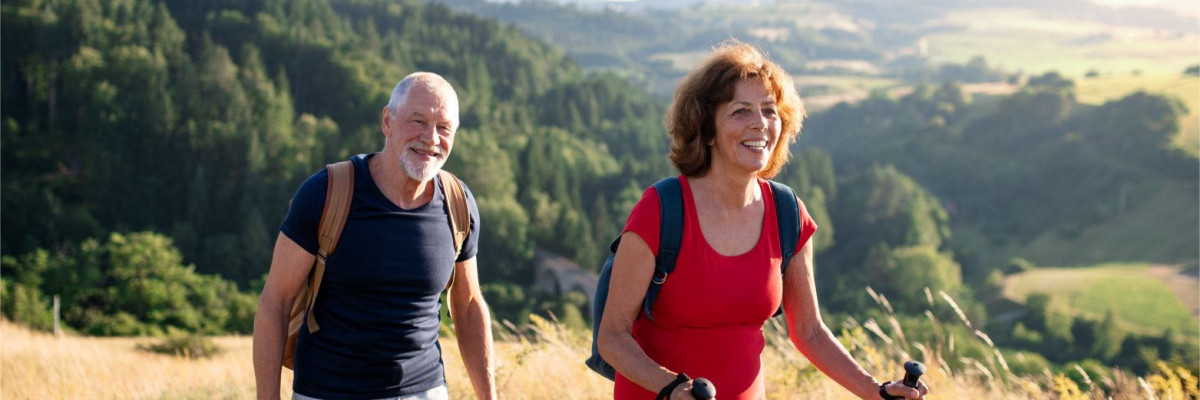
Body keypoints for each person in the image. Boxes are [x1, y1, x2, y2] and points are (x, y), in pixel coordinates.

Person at [595, 41, 932, 400]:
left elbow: (810, 332)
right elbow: (612, 337)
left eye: (769, 111)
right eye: (741, 111)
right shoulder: (661, 209)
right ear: (706, 129)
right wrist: (673, 388)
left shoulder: (788, 213)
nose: (760, 124)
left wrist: (876, 391)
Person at [253, 72, 496, 400]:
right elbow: (275, 303)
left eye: (444, 128)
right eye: (418, 121)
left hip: (426, 391)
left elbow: (467, 306)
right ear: (387, 121)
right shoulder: (326, 193)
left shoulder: (458, 203)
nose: (431, 138)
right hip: (329, 392)